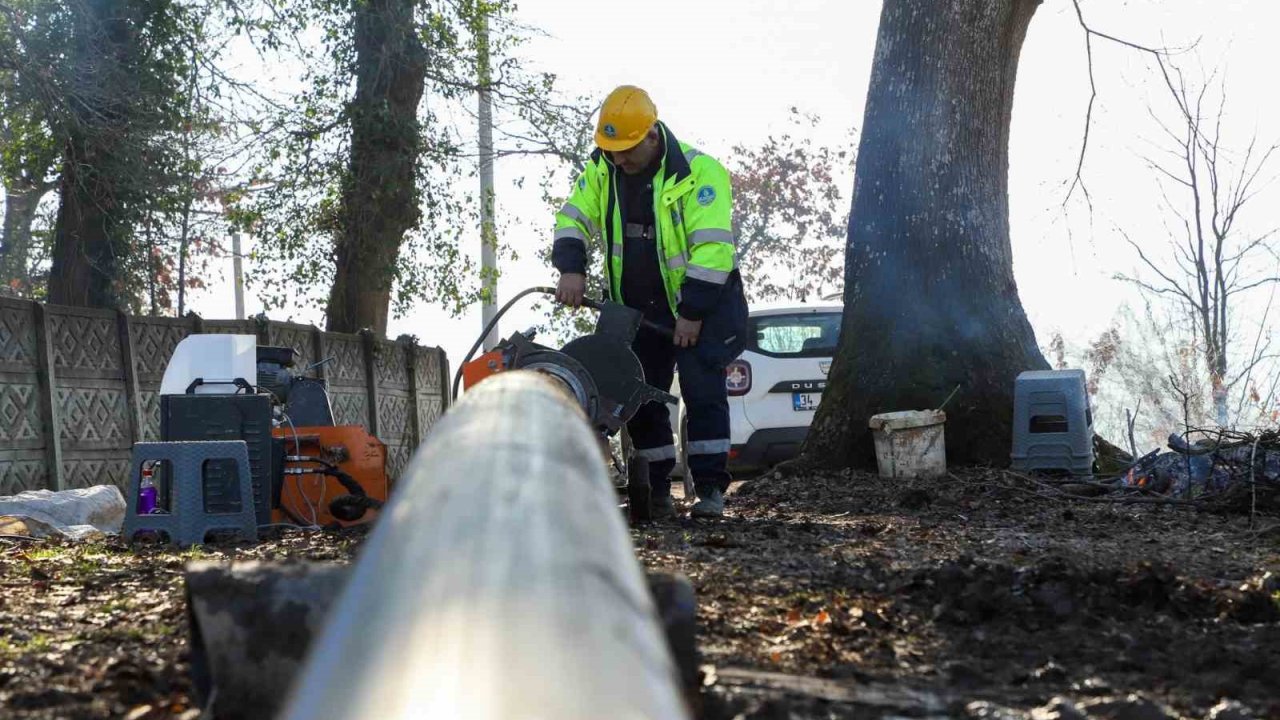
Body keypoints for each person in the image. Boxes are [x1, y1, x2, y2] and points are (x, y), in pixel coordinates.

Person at [551, 85, 748, 519]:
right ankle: (656, 490)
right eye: (612, 150)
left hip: (701, 305)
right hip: (636, 312)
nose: (619, 159)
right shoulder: (603, 170)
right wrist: (571, 268)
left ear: (652, 137)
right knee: (635, 397)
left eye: (626, 150)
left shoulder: (701, 174)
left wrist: (692, 313)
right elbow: (572, 216)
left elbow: (713, 250)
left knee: (703, 393)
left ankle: (710, 491)